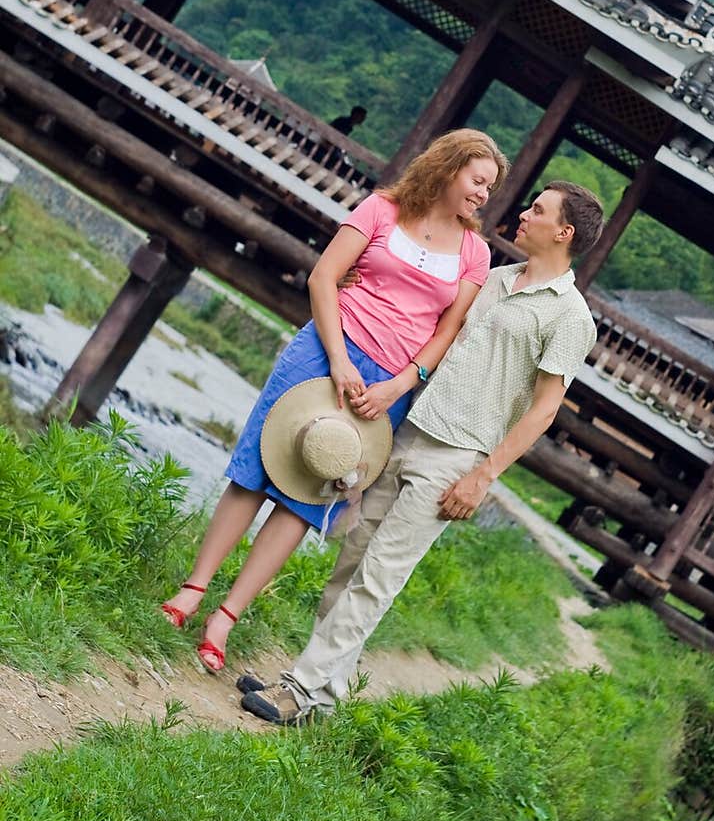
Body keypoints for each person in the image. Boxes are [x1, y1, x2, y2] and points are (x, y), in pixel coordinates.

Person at [237, 180, 604, 725]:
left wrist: (484, 477)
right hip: (408, 430)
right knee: (352, 560)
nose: (524, 214)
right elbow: (431, 317)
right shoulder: (496, 279)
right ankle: (318, 694)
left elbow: (544, 410)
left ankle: (302, 687)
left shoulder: (570, 317)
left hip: (456, 457)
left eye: (539, 210)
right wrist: (361, 280)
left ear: (564, 232)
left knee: (378, 575)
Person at [160, 128, 509, 671]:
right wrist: (340, 360)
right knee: (256, 469)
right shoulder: (381, 208)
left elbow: (446, 333)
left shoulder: (475, 253)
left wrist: (400, 383)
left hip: (385, 389)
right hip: (325, 351)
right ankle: (192, 590)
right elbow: (324, 277)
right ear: (448, 167)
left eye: (490, 187)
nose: (484, 195)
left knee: (307, 494)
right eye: (478, 180)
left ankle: (225, 618)